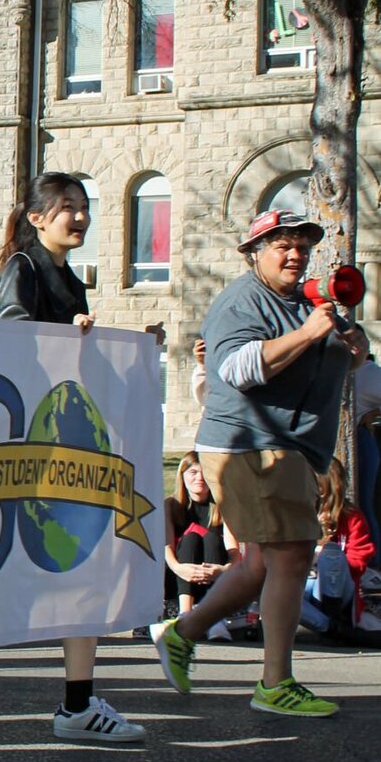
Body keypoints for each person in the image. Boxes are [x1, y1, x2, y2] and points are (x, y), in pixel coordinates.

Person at [0, 172, 152, 743]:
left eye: (85, 206)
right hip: (27, 441)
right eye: (67, 207)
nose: (79, 217)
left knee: (82, 566)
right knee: (6, 565)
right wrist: (68, 335)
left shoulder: (67, 278)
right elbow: (8, 337)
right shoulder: (26, 268)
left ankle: (77, 706)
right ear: (38, 218)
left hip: (60, 440)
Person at [151, 208, 368, 717]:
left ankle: (183, 632)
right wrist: (311, 334)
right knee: (292, 556)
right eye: (281, 245)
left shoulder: (307, 303)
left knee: (258, 564)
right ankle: (275, 683)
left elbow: (326, 361)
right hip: (251, 443)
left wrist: (351, 349)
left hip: (285, 446)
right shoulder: (241, 302)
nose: (295, 254)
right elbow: (237, 369)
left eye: (301, 246)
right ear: (254, 253)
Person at [300, 459, 377, 636]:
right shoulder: (298, 514)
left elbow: (360, 557)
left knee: (331, 553)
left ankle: (333, 609)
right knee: (273, 591)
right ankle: (330, 627)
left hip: (339, 586)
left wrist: (329, 564)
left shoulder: (350, 516)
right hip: (305, 583)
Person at [165, 452, 238, 620]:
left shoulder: (222, 505)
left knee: (212, 537)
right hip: (179, 576)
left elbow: (233, 550)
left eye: (205, 473)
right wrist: (179, 568)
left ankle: (214, 617)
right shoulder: (170, 505)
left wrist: (223, 570)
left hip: (216, 575)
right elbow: (167, 547)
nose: (200, 478)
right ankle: (185, 613)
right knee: (190, 538)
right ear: (182, 476)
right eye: (193, 472)